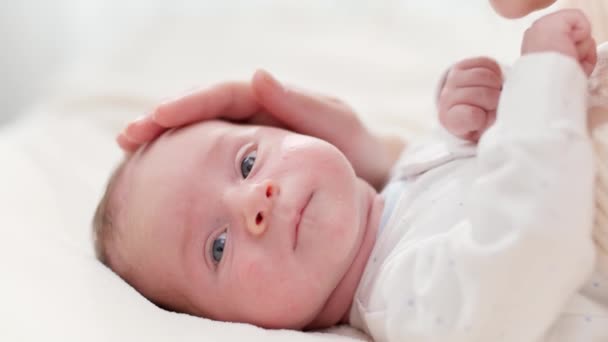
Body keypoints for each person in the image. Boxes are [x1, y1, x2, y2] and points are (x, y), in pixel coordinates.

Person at [94, 8, 608, 341]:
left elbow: (477, 169)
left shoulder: (399, 186)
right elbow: (531, 244)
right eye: (218, 247)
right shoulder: (406, 303)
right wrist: (544, 79)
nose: (254, 200)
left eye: (248, 162)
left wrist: (470, 108)